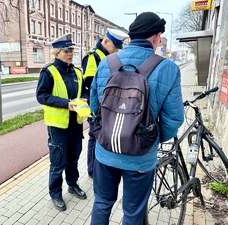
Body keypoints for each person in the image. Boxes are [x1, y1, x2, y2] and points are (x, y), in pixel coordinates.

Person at [89, 12, 185, 224]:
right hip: (141, 156)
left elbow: (94, 107)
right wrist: (152, 139)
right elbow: (174, 119)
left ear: (130, 37)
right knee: (133, 213)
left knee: (102, 203)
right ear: (156, 36)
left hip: (105, 150)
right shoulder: (168, 68)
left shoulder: (106, 63)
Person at [36, 34, 88, 212]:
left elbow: (85, 92)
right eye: (67, 50)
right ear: (57, 52)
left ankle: (72, 185)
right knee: (58, 162)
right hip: (58, 127)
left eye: (72, 50)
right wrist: (66, 104)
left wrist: (84, 100)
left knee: (73, 158)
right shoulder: (49, 71)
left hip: (76, 124)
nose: (70, 53)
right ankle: (55, 193)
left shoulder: (77, 72)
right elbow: (42, 96)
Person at [82, 28, 128, 178]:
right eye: (114, 47)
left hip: (107, 105)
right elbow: (89, 82)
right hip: (97, 107)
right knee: (94, 138)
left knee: (103, 137)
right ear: (106, 41)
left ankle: (100, 168)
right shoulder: (93, 56)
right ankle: (92, 170)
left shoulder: (108, 56)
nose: (115, 51)